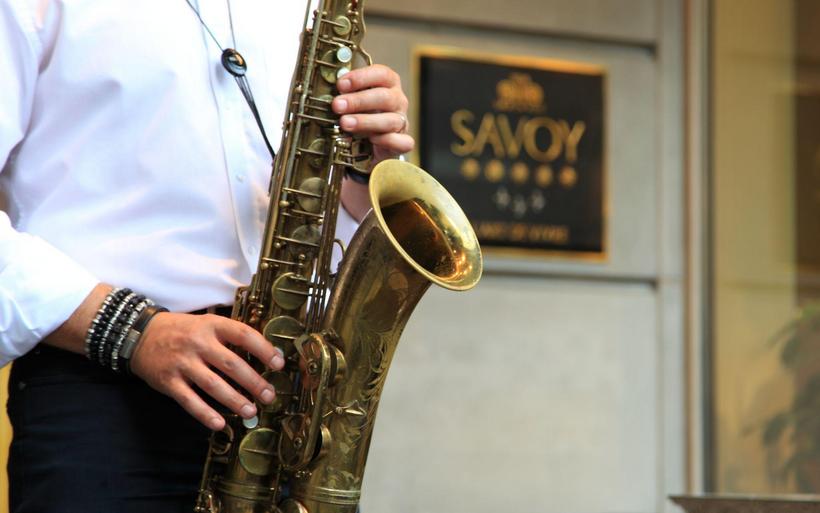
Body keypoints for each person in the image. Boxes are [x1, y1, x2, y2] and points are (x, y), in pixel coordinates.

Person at [0, 1, 413, 512]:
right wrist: (132, 330)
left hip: (280, 400)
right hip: (101, 392)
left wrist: (360, 167)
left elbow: (311, 220)